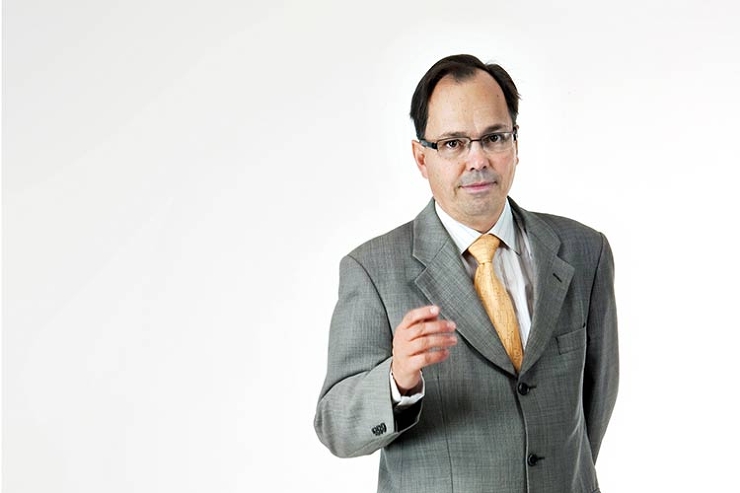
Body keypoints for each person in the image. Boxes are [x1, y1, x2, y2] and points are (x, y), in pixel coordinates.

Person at [314, 54, 618, 493]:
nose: (477, 160)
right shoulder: (373, 270)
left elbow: (594, 405)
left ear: (516, 143)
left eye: (494, 138)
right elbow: (336, 426)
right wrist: (397, 379)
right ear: (421, 157)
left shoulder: (584, 250)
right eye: (453, 143)